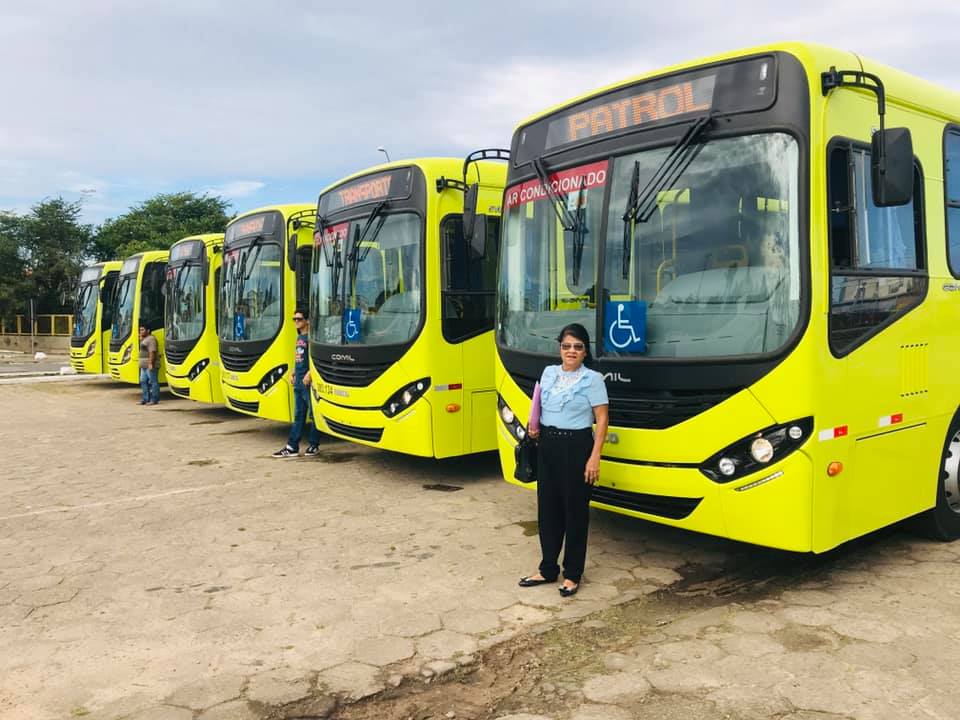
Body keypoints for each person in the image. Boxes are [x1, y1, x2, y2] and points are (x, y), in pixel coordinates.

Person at [519, 323, 609, 597]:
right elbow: (539, 406)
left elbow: (603, 419)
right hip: (547, 445)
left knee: (575, 512)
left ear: (585, 352)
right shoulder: (548, 373)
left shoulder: (592, 379)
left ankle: (572, 574)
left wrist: (595, 457)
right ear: (560, 348)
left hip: (577, 447)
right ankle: (547, 568)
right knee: (548, 510)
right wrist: (533, 426)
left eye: (578, 347)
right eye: (567, 346)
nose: (571, 351)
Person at [272, 308, 322, 458]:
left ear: (307, 321)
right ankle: (292, 446)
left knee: (314, 414)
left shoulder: (312, 338)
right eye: (294, 319)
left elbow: (316, 358)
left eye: (299, 319)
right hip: (298, 382)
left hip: (308, 382)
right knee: (299, 415)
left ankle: (314, 444)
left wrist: (310, 373)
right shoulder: (299, 338)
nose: (296, 322)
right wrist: (293, 372)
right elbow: (298, 357)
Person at [138, 325, 160, 406]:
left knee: (153, 382)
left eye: (142, 330)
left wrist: (150, 363)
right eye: (140, 330)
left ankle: (154, 399)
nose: (140, 331)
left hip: (149, 365)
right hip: (143, 365)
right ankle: (145, 399)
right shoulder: (144, 339)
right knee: (143, 381)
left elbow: (152, 352)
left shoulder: (151, 339)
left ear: (148, 330)